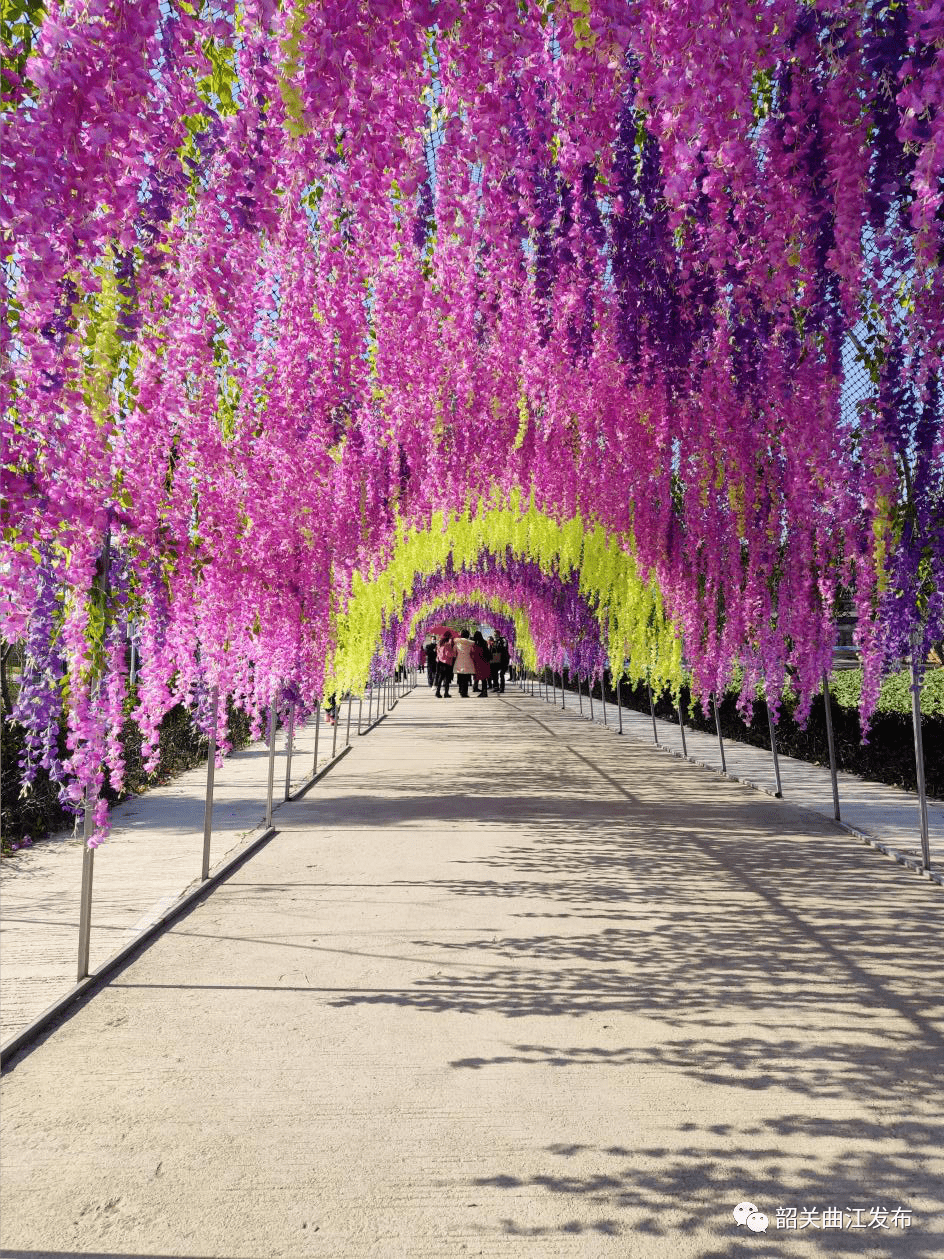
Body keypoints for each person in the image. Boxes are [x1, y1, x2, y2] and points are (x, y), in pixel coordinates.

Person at [452, 629, 475, 697]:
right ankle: (465, 692)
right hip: (468, 661)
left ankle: (460, 690)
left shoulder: (457, 643)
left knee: (460, 677)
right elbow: (472, 652)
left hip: (459, 661)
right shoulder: (470, 644)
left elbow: (454, 652)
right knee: (466, 678)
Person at [435, 631, 457, 698]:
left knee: (440, 678)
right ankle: (446, 693)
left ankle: (437, 692)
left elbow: (438, 653)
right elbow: (448, 654)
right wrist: (454, 653)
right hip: (447, 663)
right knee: (447, 679)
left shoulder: (439, 644)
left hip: (440, 662)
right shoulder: (447, 644)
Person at [471, 631, 490, 698]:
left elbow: (474, 653)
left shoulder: (475, 644)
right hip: (485, 662)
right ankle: (484, 691)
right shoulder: (484, 642)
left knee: (480, 677)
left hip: (478, 662)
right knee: (484, 678)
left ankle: (483, 692)